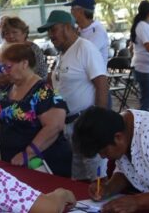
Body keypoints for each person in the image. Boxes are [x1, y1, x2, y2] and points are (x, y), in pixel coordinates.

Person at [38, 10, 108, 181]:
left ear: (68, 27)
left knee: (97, 177)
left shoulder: (85, 48)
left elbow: (101, 84)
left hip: (86, 121)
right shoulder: (62, 53)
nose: (50, 35)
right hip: (69, 124)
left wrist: (98, 122)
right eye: (49, 32)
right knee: (79, 177)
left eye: (53, 30)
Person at [0, 43, 72, 177]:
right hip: (11, 160)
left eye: (9, 67)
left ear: (24, 63)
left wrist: (28, 153)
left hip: (40, 162)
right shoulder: (8, 88)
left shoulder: (44, 91)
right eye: (3, 68)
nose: (5, 71)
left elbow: (55, 126)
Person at [65, 0, 109, 66]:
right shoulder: (78, 30)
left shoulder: (98, 31)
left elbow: (83, 55)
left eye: (72, 9)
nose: (71, 12)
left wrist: (73, 38)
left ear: (80, 11)